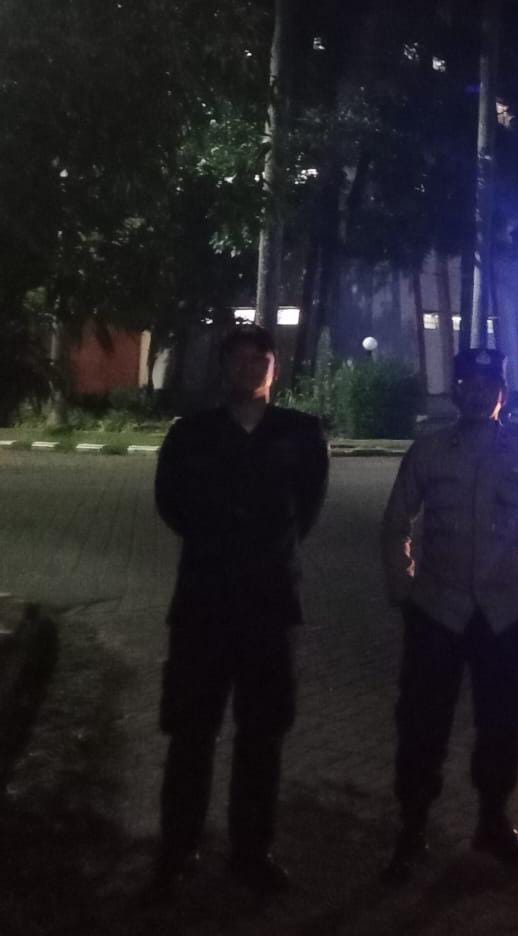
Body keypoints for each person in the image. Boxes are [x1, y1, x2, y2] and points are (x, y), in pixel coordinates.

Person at [147, 323, 329, 900]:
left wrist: (262, 550)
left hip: (271, 608)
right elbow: (170, 504)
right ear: (223, 366)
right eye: (238, 358)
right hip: (202, 605)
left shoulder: (301, 434)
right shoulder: (191, 434)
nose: (249, 367)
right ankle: (178, 850)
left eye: (260, 358)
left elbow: (307, 511)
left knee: (262, 735)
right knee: (190, 734)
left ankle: (252, 853)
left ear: (274, 367)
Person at [380, 347, 518, 882]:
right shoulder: (430, 451)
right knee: (422, 722)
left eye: (488, 386)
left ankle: (493, 820)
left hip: (503, 613)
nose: (478, 394)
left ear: (502, 393)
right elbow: (396, 521)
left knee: (502, 722)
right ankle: (413, 825)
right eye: (468, 385)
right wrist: (403, 585)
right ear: (457, 391)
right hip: (438, 608)